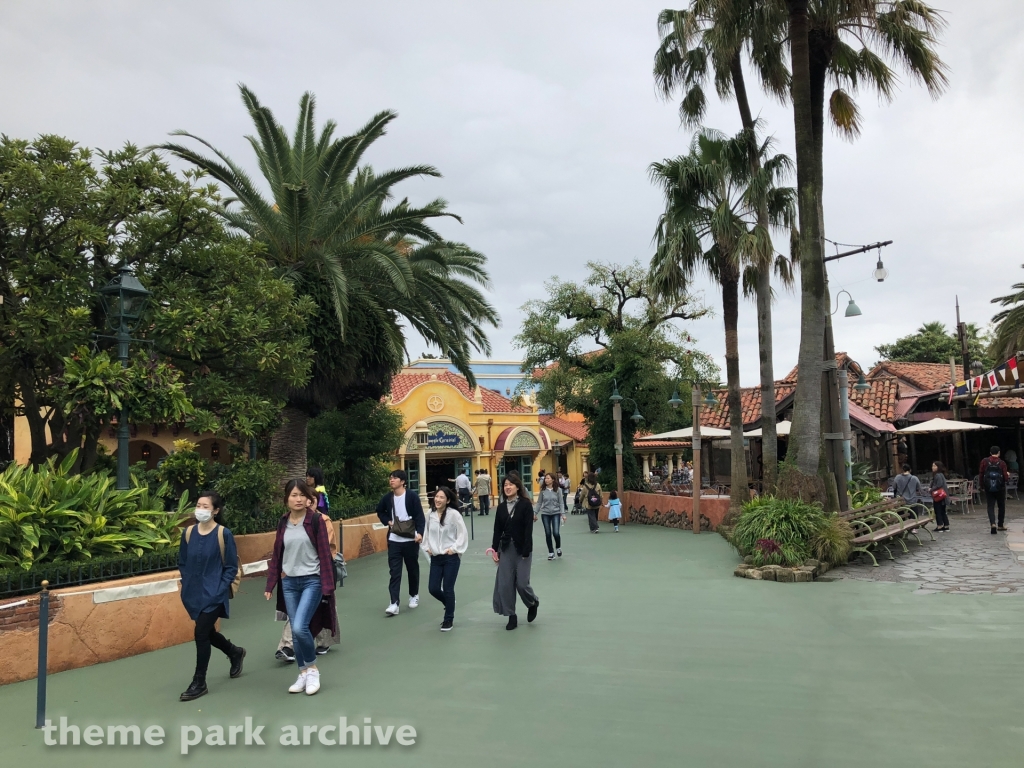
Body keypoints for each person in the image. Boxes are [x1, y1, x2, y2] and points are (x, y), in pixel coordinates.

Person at [264, 480, 337, 695]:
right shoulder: (283, 522)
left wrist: (327, 585)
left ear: (308, 499)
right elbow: (278, 553)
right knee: (296, 632)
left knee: (299, 627)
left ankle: (312, 670)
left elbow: (325, 553)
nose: (298, 499)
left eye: (302, 495)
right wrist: (271, 583)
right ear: (286, 498)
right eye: (294, 495)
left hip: (312, 581)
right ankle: (303, 672)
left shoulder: (316, 521)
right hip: (289, 582)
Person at [177, 491, 245, 702]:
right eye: (198, 505)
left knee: (200, 633)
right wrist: (186, 582)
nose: (200, 509)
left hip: (214, 593)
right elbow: (182, 561)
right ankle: (234, 652)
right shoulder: (188, 533)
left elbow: (231, 567)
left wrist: (219, 590)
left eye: (205, 506)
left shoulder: (224, 534)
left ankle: (199, 681)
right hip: (193, 593)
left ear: (215, 510)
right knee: (207, 632)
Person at [275, 489, 340, 662]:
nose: (303, 501)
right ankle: (288, 647)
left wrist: (324, 574)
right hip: (292, 577)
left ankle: (322, 644)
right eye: (296, 496)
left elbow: (328, 549)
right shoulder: (286, 521)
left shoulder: (321, 521)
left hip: (316, 575)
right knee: (297, 618)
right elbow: (280, 550)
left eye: (308, 498)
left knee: (322, 608)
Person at [490, 471, 540, 630]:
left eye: (511, 484)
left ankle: (532, 602)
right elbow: (497, 530)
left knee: (522, 583)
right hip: (506, 549)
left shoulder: (525, 505)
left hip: (522, 549)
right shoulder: (501, 508)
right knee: (505, 584)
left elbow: (528, 529)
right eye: (505, 485)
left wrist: (526, 550)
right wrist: (495, 550)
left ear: (517, 487)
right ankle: (511, 615)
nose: (508, 487)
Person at [375, 469, 425, 616]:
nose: (391, 480)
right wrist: (388, 521)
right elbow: (380, 511)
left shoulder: (412, 496)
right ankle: (394, 603)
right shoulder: (387, 498)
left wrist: (420, 533)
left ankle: (414, 595)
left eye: (395, 478)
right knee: (394, 571)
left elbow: (419, 516)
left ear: (402, 481)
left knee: (412, 569)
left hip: (410, 539)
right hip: (394, 540)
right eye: (390, 478)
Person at [422, 486, 469, 631]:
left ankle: (448, 619)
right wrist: (427, 547)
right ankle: (449, 603)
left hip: (451, 558)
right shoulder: (430, 514)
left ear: (448, 500)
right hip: (436, 557)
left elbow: (462, 534)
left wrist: (453, 549)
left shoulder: (454, 514)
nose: (438, 499)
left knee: (448, 588)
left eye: (441, 497)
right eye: (437, 496)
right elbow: (426, 532)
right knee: (433, 588)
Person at [979, 446, 1010, 534]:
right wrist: (1007, 475)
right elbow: (1005, 478)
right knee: (1001, 506)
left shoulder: (984, 461)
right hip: (1000, 488)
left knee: (990, 506)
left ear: (990, 453)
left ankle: (992, 523)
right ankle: (1000, 525)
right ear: (999, 453)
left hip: (988, 487)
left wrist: (982, 486)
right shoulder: (1002, 463)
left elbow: (981, 474)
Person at [536, 472, 565, 560]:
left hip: (556, 513)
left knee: (556, 533)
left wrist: (563, 514)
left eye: (548, 478)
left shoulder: (558, 490)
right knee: (548, 533)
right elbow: (539, 503)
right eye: (545, 478)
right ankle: (551, 552)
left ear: (552, 479)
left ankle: (558, 547)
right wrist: (535, 513)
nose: (546, 480)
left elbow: (561, 503)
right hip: (545, 513)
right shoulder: (543, 490)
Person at [930, 461, 950, 532]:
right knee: (942, 511)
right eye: (932, 466)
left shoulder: (937, 475)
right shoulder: (941, 474)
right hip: (943, 496)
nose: (933, 467)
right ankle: (946, 525)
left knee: (938, 511)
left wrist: (931, 489)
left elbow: (938, 485)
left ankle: (939, 526)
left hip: (938, 496)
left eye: (934, 466)